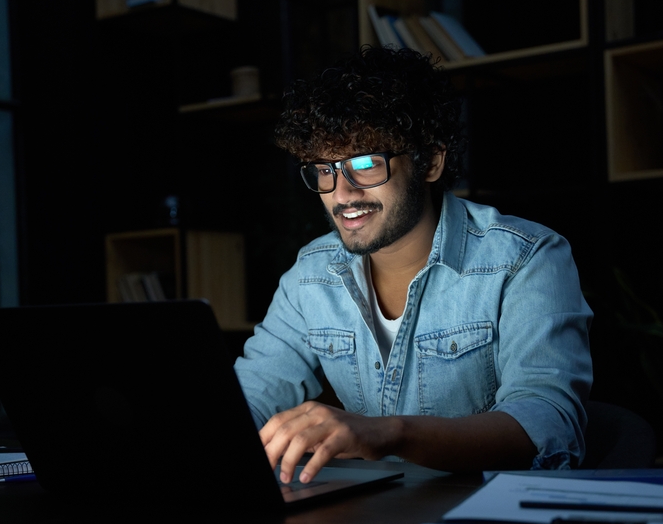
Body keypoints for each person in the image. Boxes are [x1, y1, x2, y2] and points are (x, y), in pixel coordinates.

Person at [234, 46, 592, 484]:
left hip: (487, 522)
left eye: (365, 165)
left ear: (430, 161)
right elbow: (250, 398)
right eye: (324, 170)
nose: (342, 194)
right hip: (368, 522)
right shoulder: (311, 275)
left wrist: (390, 434)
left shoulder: (525, 258)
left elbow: (546, 425)